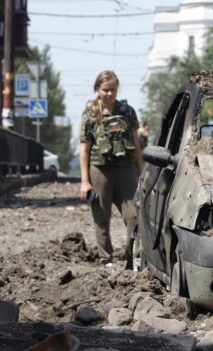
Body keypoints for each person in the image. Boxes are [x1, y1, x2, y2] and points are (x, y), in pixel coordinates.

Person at [79, 70, 143, 267]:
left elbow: (136, 144)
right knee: (101, 218)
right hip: (100, 171)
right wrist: (84, 181)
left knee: (134, 215)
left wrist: (142, 174)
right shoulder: (90, 113)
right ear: (98, 89)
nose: (109, 94)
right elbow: (84, 150)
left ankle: (132, 258)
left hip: (125, 169)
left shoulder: (127, 111)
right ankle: (106, 260)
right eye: (105, 90)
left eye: (113, 90)